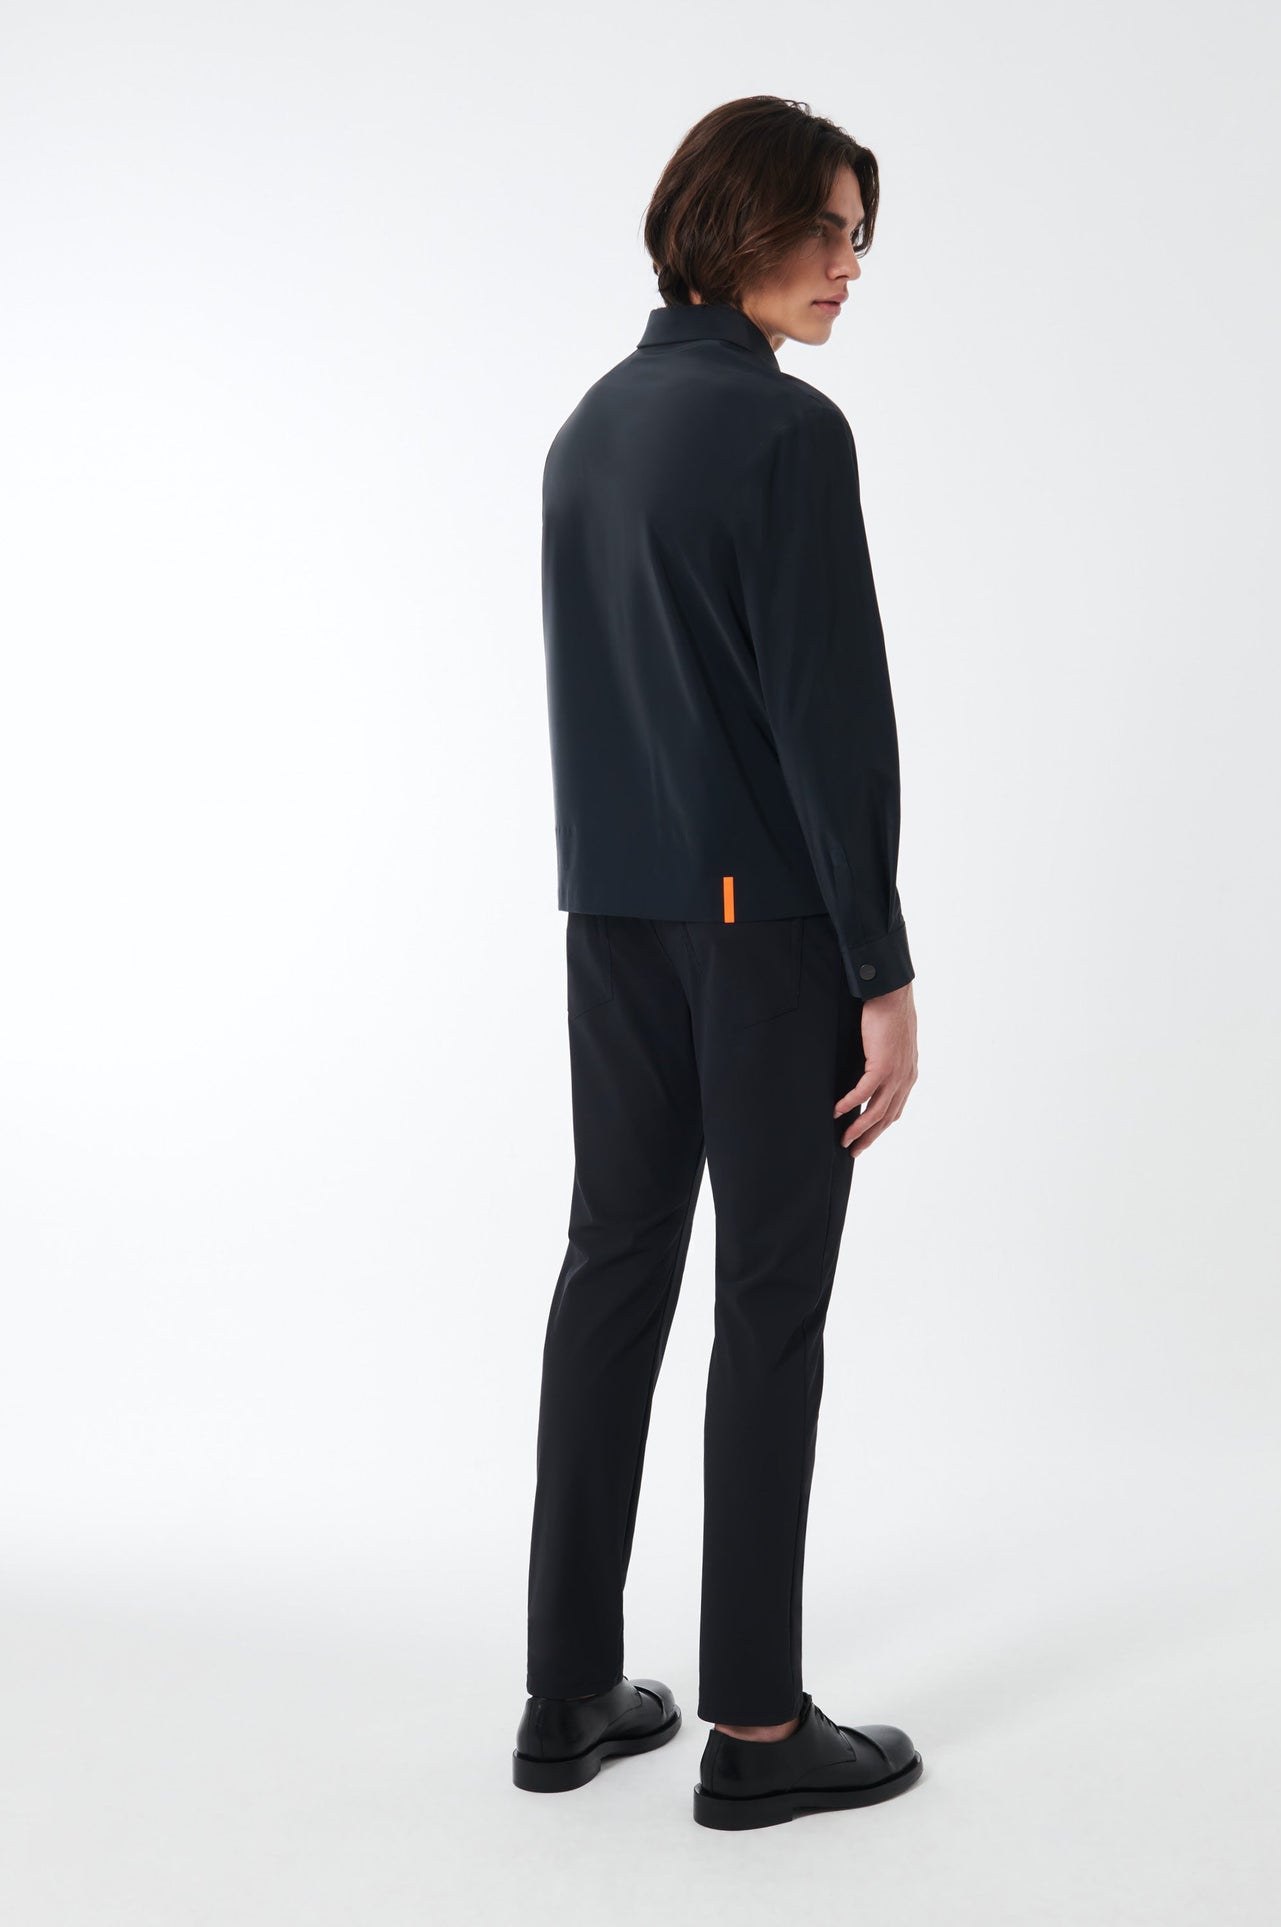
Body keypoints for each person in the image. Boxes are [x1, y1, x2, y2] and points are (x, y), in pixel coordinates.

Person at [512, 95, 924, 1830]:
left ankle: (565, 1695)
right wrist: (880, 970)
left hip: (611, 919)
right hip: (766, 938)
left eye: (859, 237)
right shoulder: (783, 434)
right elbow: (831, 725)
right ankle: (754, 1728)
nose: (848, 267)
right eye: (823, 229)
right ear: (732, 222)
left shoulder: (587, 429)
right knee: (765, 1304)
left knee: (613, 1272)